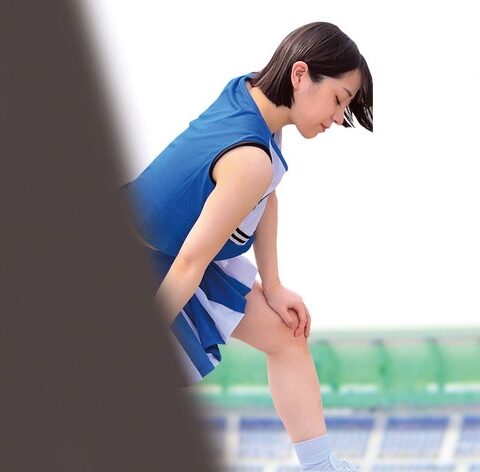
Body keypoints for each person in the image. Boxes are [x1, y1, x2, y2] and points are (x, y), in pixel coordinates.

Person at [121, 21, 372, 471]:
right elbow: (189, 264)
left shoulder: (253, 96)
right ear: (300, 74)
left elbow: (264, 193)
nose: (338, 118)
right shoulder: (250, 156)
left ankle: (320, 465)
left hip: (176, 249)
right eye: (339, 99)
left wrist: (273, 285)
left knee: (286, 336)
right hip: (150, 263)